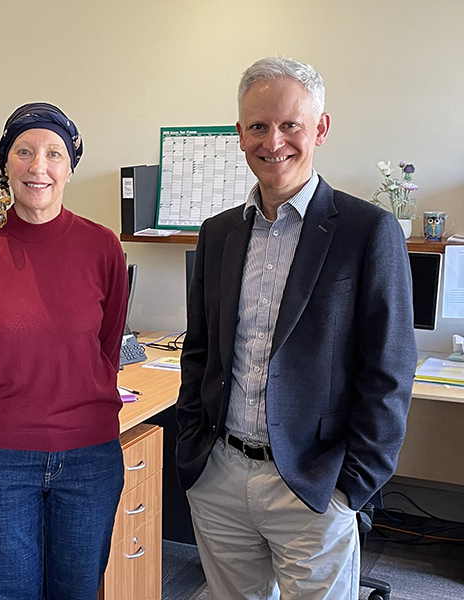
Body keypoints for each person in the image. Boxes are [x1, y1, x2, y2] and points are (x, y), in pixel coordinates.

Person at [175, 57, 417, 599]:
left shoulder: (367, 231)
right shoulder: (217, 234)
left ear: (320, 129)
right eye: (258, 126)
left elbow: (390, 370)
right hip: (220, 472)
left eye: (290, 125)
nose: (273, 141)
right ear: (240, 134)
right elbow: (201, 350)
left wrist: (350, 487)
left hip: (313, 482)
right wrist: (193, 446)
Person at [0, 102, 128, 600]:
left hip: (89, 455)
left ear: (70, 166)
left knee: (78, 592)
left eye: (53, 153)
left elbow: (107, 346)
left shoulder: (102, 247)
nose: (38, 166)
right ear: (5, 165)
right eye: (24, 152)